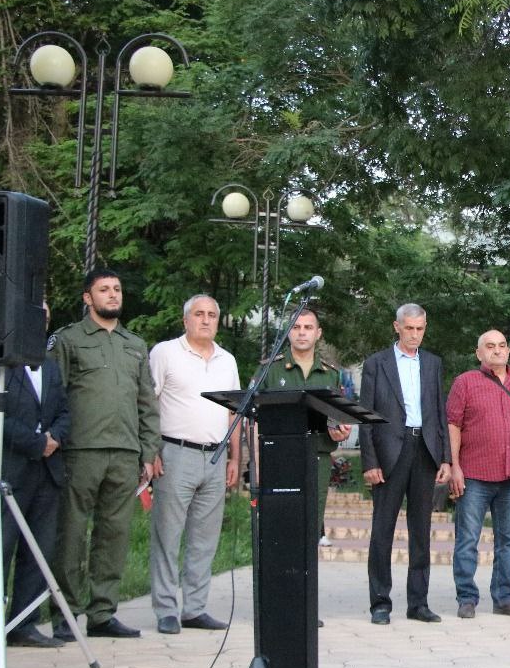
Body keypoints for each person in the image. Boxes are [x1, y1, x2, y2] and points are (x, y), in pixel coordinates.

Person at [49, 269, 161, 639]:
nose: (113, 295)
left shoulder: (135, 344)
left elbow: (147, 402)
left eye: (117, 288)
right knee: (72, 533)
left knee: (114, 535)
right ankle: (65, 612)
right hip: (81, 450)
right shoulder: (69, 340)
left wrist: (148, 451)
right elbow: (54, 395)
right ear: (87, 298)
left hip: (125, 452)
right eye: (104, 290)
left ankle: (102, 614)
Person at [0, 301, 69, 649]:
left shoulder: (51, 367)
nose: (38, 319)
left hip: (48, 472)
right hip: (9, 467)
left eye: (44, 313)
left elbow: (66, 411)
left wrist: (54, 438)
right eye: (31, 313)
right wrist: (36, 442)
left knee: (38, 550)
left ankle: (24, 624)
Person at [148, 294, 242, 636]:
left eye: (212, 315)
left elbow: (234, 411)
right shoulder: (165, 353)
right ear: (185, 319)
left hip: (216, 456)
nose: (206, 320)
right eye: (199, 314)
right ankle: (166, 609)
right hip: (175, 452)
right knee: (168, 535)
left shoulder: (226, 360)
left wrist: (236, 457)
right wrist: (150, 451)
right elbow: (148, 403)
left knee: (205, 538)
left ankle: (195, 608)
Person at [358, 303, 451, 624]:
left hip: (424, 450)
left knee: (421, 530)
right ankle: (380, 602)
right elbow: (365, 417)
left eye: (420, 328)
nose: (415, 335)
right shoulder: (376, 364)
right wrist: (369, 461)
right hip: (388, 453)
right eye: (409, 328)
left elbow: (440, 413)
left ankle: (418, 603)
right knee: (382, 530)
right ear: (396, 327)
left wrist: (446, 458)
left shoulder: (433, 364)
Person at [446, 330, 510, 618]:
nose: (497, 351)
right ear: (479, 353)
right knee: (467, 539)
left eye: (502, 346)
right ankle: (466, 598)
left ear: (508, 351)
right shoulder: (465, 382)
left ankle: (504, 598)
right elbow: (453, 424)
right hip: (474, 474)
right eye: (490, 346)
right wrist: (455, 466)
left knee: (508, 541)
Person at [263, 306, 350, 546]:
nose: (302, 333)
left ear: (318, 333)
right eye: (296, 327)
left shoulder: (331, 375)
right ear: (288, 332)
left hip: (317, 457)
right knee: (280, 529)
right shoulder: (270, 370)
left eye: (308, 328)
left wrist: (338, 431)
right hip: (280, 457)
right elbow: (255, 416)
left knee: (310, 528)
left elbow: (335, 420)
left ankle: (307, 583)